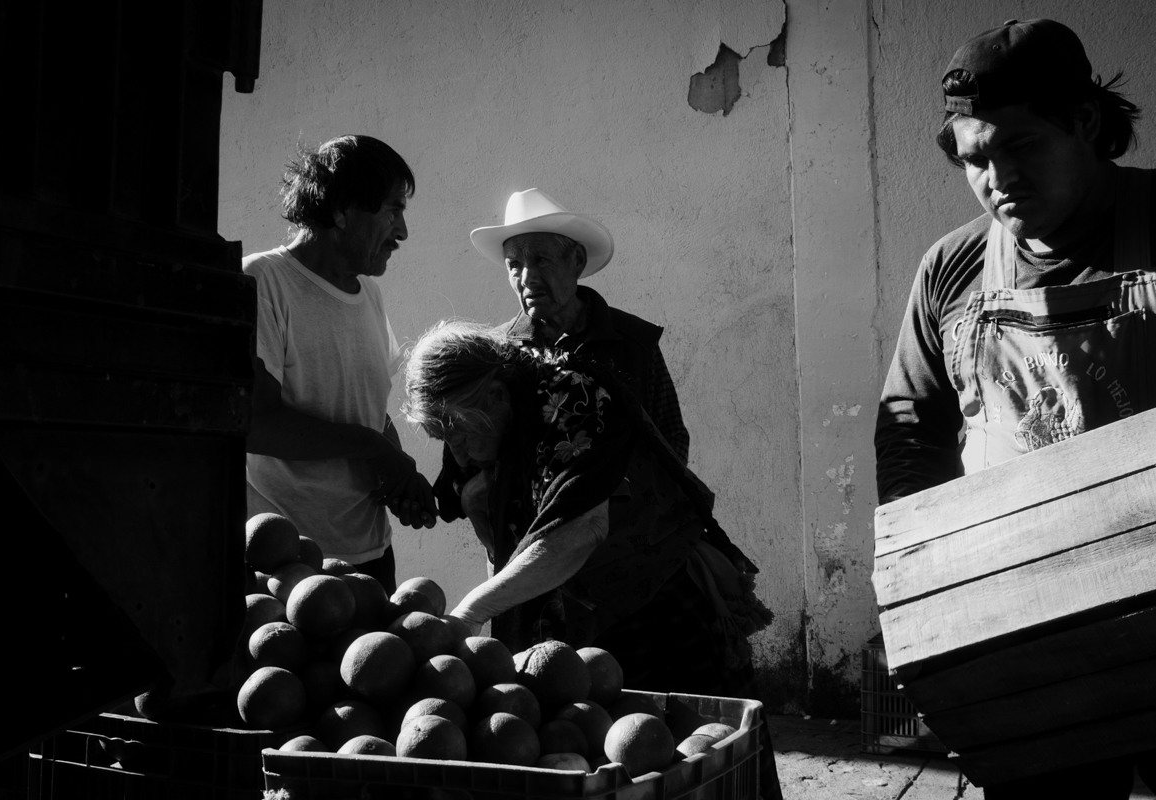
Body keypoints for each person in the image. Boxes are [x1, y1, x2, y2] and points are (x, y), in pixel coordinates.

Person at [875, 19, 1156, 798]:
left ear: (1085, 123)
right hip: (1031, 643)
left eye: (1021, 147)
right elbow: (912, 440)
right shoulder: (952, 270)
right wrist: (931, 608)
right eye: (975, 158)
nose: (996, 179)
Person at [403, 321, 781, 800]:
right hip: (580, 624)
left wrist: (470, 613)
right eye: (441, 435)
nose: (454, 450)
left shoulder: (570, 397)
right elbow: (479, 508)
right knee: (618, 773)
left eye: (455, 431)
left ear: (497, 394)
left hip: (654, 602)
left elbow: (578, 531)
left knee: (699, 765)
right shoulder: (482, 421)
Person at [243, 135, 436, 592]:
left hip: (370, 555)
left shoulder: (369, 293)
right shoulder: (263, 283)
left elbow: (365, 407)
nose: (403, 231)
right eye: (392, 209)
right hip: (287, 563)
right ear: (340, 210)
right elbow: (255, 423)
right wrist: (376, 449)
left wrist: (397, 472)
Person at [432, 188, 691, 521]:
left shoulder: (634, 343)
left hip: (628, 527)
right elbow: (465, 458)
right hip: (530, 534)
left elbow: (670, 440)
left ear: (577, 261)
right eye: (514, 265)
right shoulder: (496, 353)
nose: (526, 278)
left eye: (540, 259)